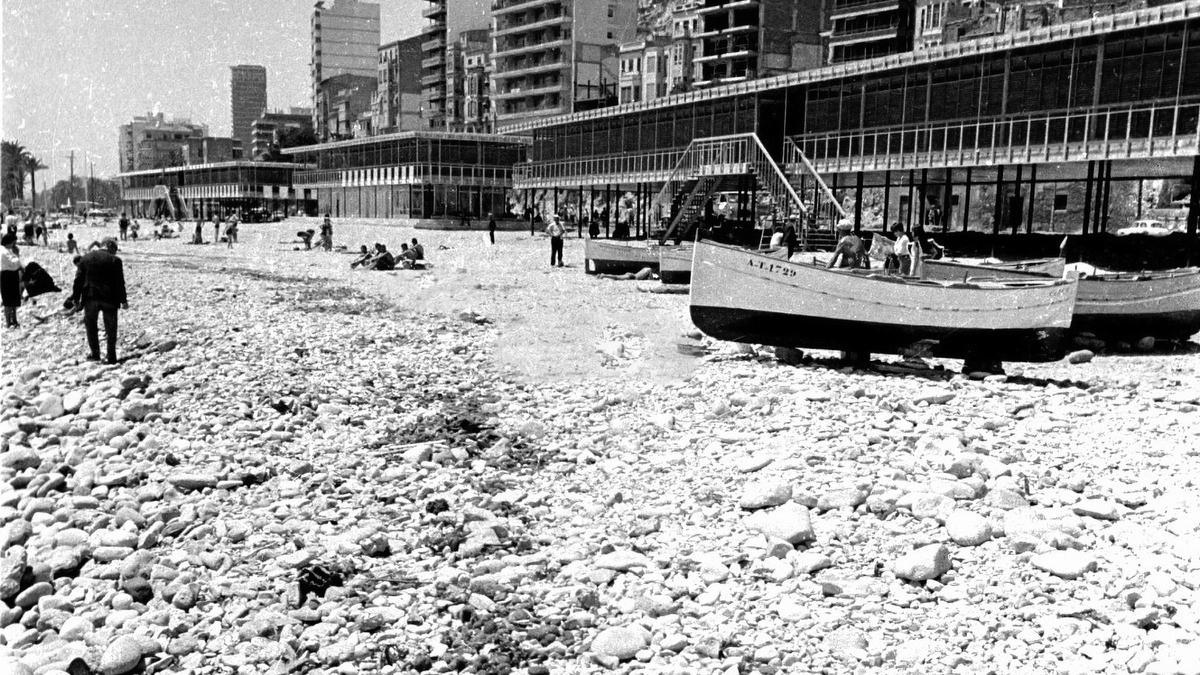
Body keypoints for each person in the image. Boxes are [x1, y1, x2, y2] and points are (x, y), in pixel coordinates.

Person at [71, 238, 127, 364]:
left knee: (91, 326)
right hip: (110, 299)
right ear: (109, 246)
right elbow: (120, 282)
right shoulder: (115, 260)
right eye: (115, 250)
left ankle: (95, 354)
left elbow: (78, 280)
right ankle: (111, 356)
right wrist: (123, 300)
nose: (115, 253)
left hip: (90, 298)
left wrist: (75, 298)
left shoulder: (85, 258)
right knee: (111, 328)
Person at [1, 233, 23, 329]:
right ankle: (9, 322)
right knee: (8, 300)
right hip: (7, 275)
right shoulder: (4, 252)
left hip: (10, 275)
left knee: (13, 299)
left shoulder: (6, 250)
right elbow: (14, 264)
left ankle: (13, 320)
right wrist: (17, 257)